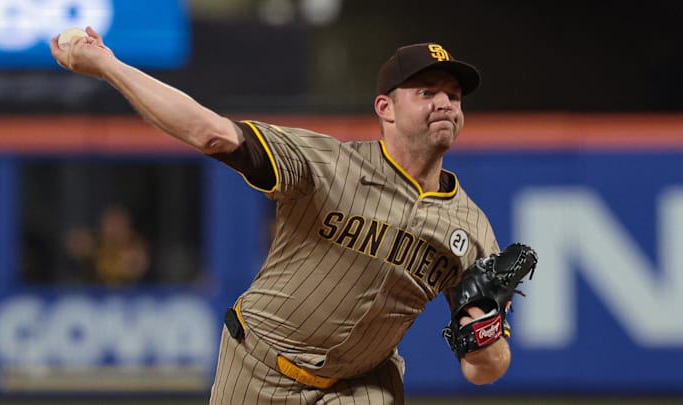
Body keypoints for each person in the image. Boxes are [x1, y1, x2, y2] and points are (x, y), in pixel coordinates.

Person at [50, 28, 508, 404]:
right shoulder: (325, 164)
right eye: (427, 92)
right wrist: (108, 65)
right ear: (384, 109)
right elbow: (211, 134)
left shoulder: (471, 228)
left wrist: (483, 334)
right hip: (258, 368)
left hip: (362, 385)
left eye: (454, 95)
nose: (445, 103)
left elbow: (482, 369)